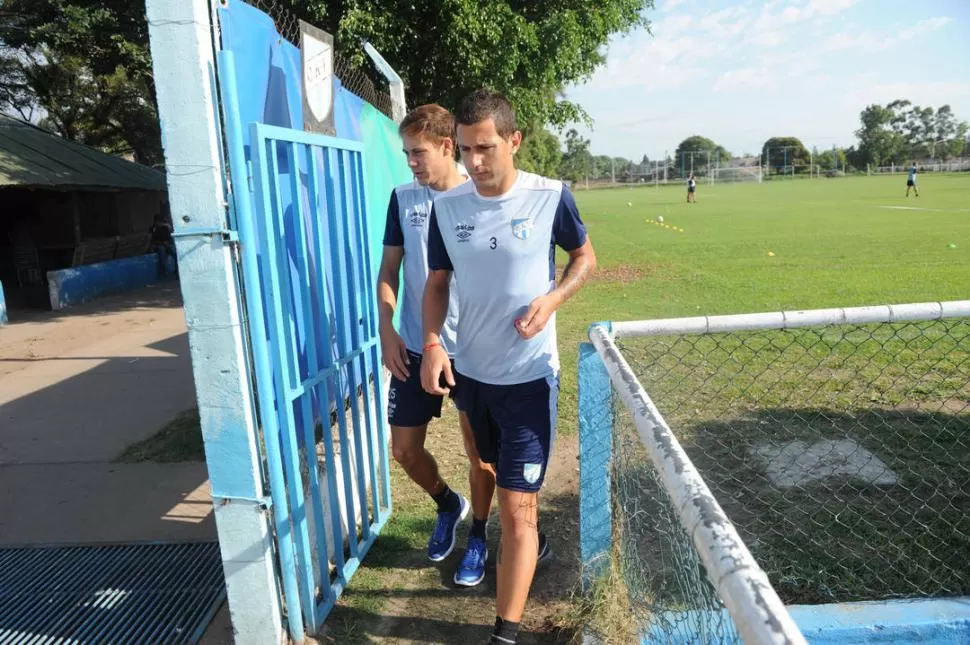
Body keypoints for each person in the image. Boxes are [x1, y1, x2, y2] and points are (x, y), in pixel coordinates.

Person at [421, 89, 596, 644]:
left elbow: (585, 258)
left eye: (487, 148)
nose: (474, 162)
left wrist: (552, 301)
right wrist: (432, 344)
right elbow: (438, 283)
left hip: (527, 379)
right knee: (488, 474)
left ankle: (505, 633)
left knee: (519, 511)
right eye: (466, 149)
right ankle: (526, 549)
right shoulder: (447, 208)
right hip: (471, 377)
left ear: (513, 141)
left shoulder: (551, 197)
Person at [377, 104, 496, 584]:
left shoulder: (481, 198)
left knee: (480, 454)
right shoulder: (403, 198)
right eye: (406, 154)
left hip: (471, 350)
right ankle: (449, 504)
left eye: (419, 153)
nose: (412, 163)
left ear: (448, 148)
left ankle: (480, 537)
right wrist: (387, 328)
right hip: (413, 344)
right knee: (404, 451)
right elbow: (389, 270)